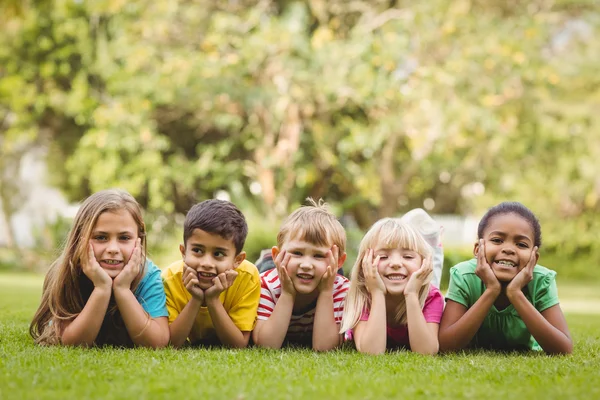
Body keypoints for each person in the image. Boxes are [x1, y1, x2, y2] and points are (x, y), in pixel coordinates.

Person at [30, 189, 169, 348]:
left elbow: (158, 343)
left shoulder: (148, 275)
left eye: (124, 238)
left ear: (139, 238)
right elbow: (72, 343)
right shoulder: (65, 273)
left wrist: (122, 289)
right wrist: (102, 288)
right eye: (101, 237)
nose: (113, 248)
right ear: (79, 238)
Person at [438, 202, 573, 354]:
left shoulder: (541, 281)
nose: (508, 249)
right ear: (478, 249)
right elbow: (445, 346)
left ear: (534, 257)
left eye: (521, 244)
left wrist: (515, 293)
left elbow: (563, 349)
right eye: (497, 240)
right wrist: (492, 290)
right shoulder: (464, 276)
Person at [252, 198, 349, 351]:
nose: (306, 264)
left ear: (339, 261)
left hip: (322, 276)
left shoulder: (340, 288)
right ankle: (268, 258)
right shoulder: (266, 284)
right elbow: (266, 346)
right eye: (297, 252)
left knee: (326, 273)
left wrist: (325, 292)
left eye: (318, 255)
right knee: (266, 269)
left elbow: (324, 348)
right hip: (277, 271)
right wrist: (287, 294)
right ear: (277, 254)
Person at [161, 199, 260, 347]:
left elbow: (238, 345)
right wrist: (196, 299)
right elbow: (170, 344)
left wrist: (213, 299)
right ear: (183, 252)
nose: (206, 263)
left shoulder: (248, 277)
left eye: (218, 254)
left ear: (237, 260)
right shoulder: (170, 279)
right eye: (197, 251)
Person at [340, 218, 443, 355]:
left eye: (407, 256)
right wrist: (377, 293)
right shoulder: (361, 295)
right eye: (383, 257)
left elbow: (426, 352)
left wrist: (411, 294)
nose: (395, 263)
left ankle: (435, 244)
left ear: (423, 263)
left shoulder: (432, 297)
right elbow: (372, 351)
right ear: (365, 263)